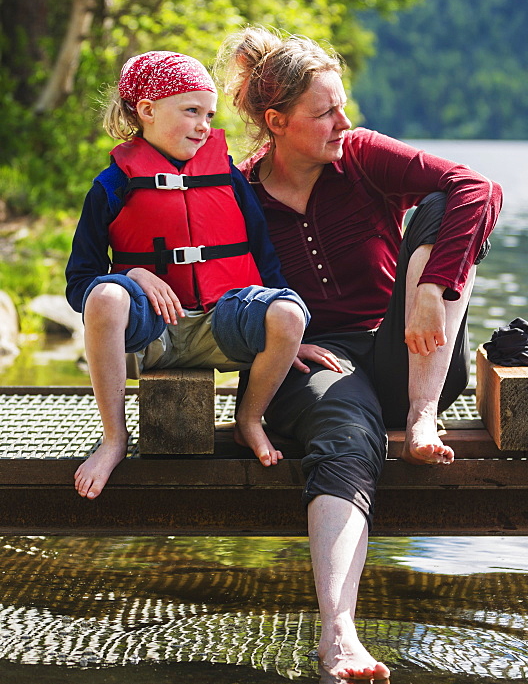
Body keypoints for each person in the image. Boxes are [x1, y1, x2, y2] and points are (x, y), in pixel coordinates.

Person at [217, 26, 503, 684]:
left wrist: (431, 289)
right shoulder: (239, 194)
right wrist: (281, 332)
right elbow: (212, 286)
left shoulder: (363, 155)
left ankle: (422, 414)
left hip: (407, 351)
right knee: (344, 437)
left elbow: (476, 190)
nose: (344, 121)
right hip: (311, 371)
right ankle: (339, 634)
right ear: (277, 122)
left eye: (343, 104)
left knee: (441, 203)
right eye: (325, 112)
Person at [66, 50, 339, 500]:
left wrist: (290, 331)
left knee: (291, 313)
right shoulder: (112, 185)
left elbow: (264, 257)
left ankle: (248, 420)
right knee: (106, 297)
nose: (202, 125)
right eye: (190, 111)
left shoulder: (228, 178)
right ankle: (114, 439)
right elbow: (80, 284)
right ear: (147, 111)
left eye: (209, 114)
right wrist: (132, 275)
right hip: (153, 336)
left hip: (223, 327)